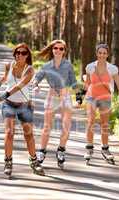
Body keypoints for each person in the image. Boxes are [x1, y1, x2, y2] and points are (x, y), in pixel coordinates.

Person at [0, 43, 44, 176]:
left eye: (23, 53)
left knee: (28, 135)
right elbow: (5, 78)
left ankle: (34, 161)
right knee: (9, 133)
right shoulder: (9, 65)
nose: (19, 55)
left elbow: (20, 85)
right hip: (9, 104)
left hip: (24, 106)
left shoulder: (30, 70)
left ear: (27, 55)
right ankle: (8, 162)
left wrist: (4, 95)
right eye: (17, 52)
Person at [32, 39, 77, 169]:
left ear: (64, 51)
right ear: (52, 50)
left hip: (66, 97)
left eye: (61, 49)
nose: (58, 50)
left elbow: (73, 82)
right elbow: (37, 78)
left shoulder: (68, 65)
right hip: (52, 97)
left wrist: (79, 95)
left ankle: (61, 150)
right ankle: (41, 152)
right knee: (47, 127)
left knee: (66, 127)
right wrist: (35, 86)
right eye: (55, 48)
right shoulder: (46, 66)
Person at [83, 43, 119, 165]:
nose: (102, 55)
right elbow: (87, 83)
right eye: (100, 53)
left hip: (105, 98)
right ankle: (89, 148)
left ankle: (105, 149)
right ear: (97, 53)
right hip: (92, 97)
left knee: (104, 124)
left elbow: (118, 81)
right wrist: (80, 96)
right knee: (90, 121)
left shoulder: (112, 68)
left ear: (107, 54)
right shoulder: (90, 67)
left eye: (104, 53)